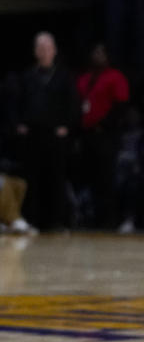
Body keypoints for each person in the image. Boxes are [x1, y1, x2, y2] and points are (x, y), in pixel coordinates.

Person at [12, 32, 79, 230]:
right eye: (40, 48)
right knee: (32, 178)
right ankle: (33, 219)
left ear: (54, 51)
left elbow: (73, 104)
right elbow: (17, 102)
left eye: (47, 48)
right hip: (33, 134)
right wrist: (19, 124)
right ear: (35, 52)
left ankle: (57, 220)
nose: (44, 52)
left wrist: (66, 126)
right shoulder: (28, 76)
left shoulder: (64, 76)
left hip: (55, 135)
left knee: (56, 178)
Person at [76, 43, 130, 228]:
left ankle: (109, 220)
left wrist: (104, 125)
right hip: (87, 136)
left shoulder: (115, 77)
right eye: (95, 53)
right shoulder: (84, 78)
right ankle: (92, 218)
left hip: (106, 136)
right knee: (90, 179)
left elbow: (120, 107)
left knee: (107, 179)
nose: (97, 56)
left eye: (101, 53)